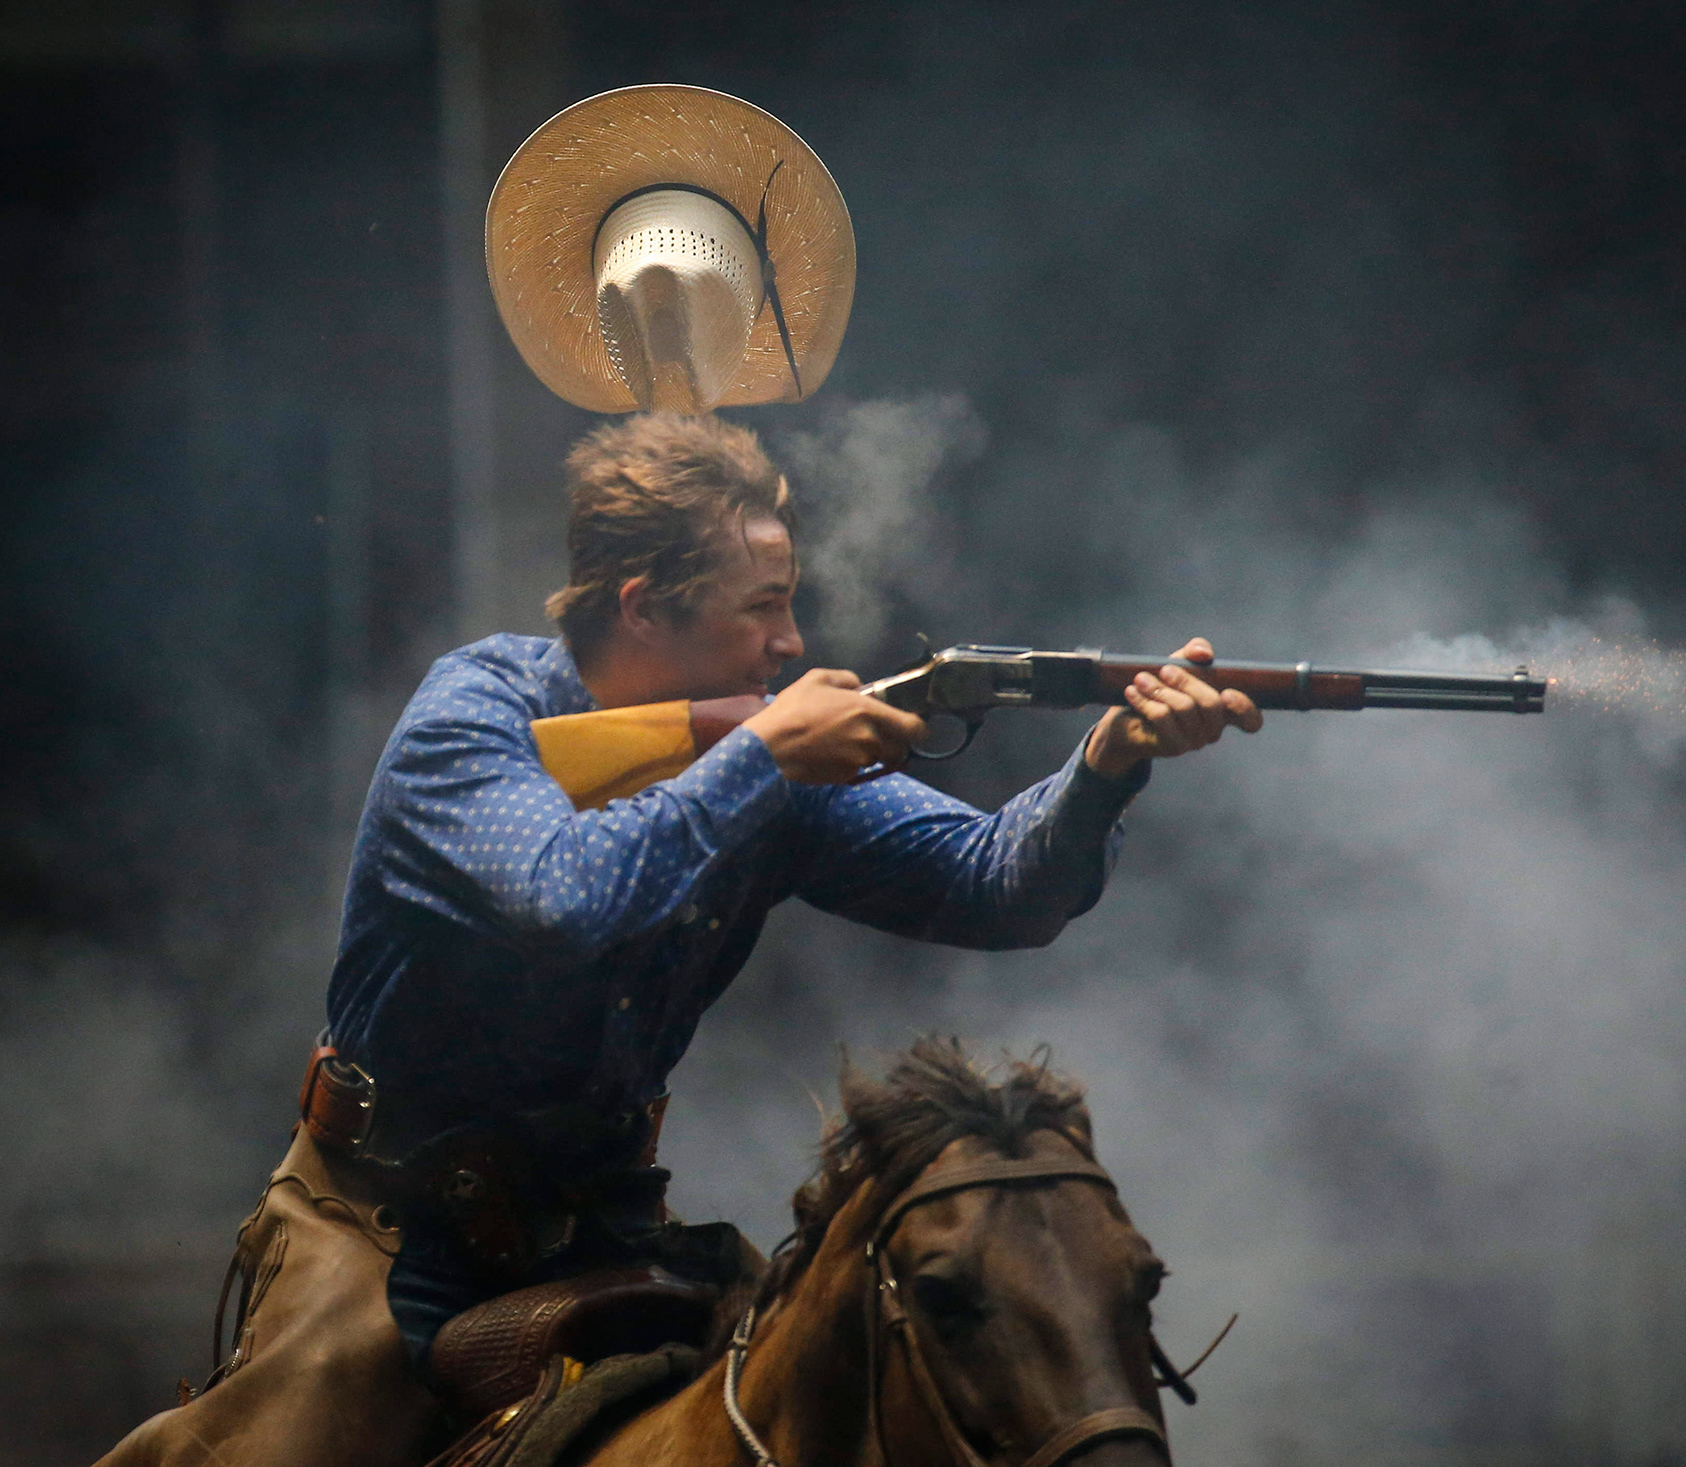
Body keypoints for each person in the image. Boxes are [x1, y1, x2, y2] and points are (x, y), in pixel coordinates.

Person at [95, 411, 1262, 1467]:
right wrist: (759, 760)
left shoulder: (766, 760)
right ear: (645, 605)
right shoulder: (476, 715)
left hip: (612, 1227)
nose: (790, 642)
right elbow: (565, 899)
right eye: (763, 607)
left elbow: (999, 884)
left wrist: (1107, 767)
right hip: (390, 1228)